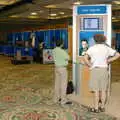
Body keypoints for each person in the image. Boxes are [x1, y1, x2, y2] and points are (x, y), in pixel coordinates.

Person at [84, 34, 120, 113]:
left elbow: (85, 58)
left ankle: (96, 108)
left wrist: (90, 65)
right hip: (104, 70)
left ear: (95, 40)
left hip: (95, 71)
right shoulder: (106, 48)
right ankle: (102, 107)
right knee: (104, 90)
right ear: (103, 40)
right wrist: (108, 60)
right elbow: (118, 55)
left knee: (96, 91)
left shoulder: (92, 48)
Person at [52, 40, 72, 105]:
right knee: (63, 85)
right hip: (62, 69)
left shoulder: (54, 50)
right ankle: (63, 100)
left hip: (56, 68)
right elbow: (68, 58)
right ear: (62, 44)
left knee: (57, 84)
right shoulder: (62, 51)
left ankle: (56, 99)